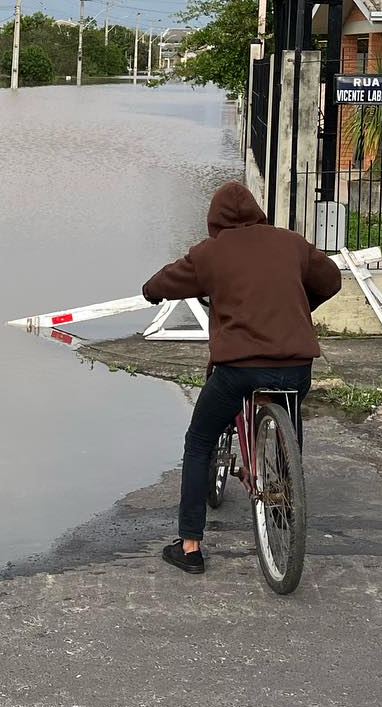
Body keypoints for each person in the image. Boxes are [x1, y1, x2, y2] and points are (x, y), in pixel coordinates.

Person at [142, 180, 342, 575]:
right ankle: (287, 503)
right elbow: (331, 280)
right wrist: (299, 310)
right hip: (296, 364)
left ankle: (190, 546)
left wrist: (150, 291)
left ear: (214, 220)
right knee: (289, 418)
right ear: (257, 212)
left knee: (199, 440)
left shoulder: (209, 253)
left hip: (239, 369)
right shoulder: (291, 243)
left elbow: (165, 281)